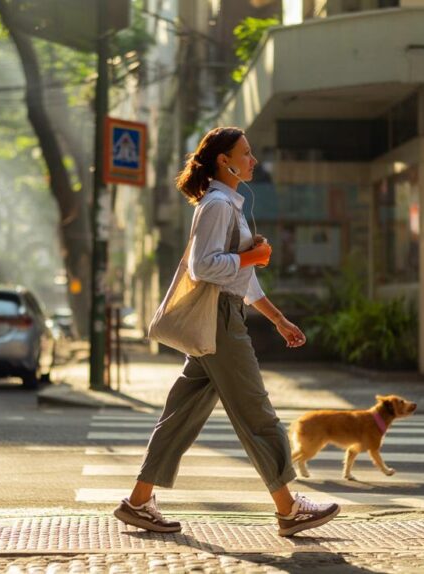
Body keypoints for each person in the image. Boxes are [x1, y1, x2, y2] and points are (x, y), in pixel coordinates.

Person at [113, 127, 340, 537]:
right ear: (224, 160)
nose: (253, 161)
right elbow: (204, 267)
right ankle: (289, 509)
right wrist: (251, 255)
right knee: (257, 413)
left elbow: (242, 282)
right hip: (220, 322)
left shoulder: (227, 205)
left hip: (221, 317)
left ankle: (139, 501)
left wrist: (278, 319)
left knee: (181, 416)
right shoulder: (217, 204)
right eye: (246, 153)